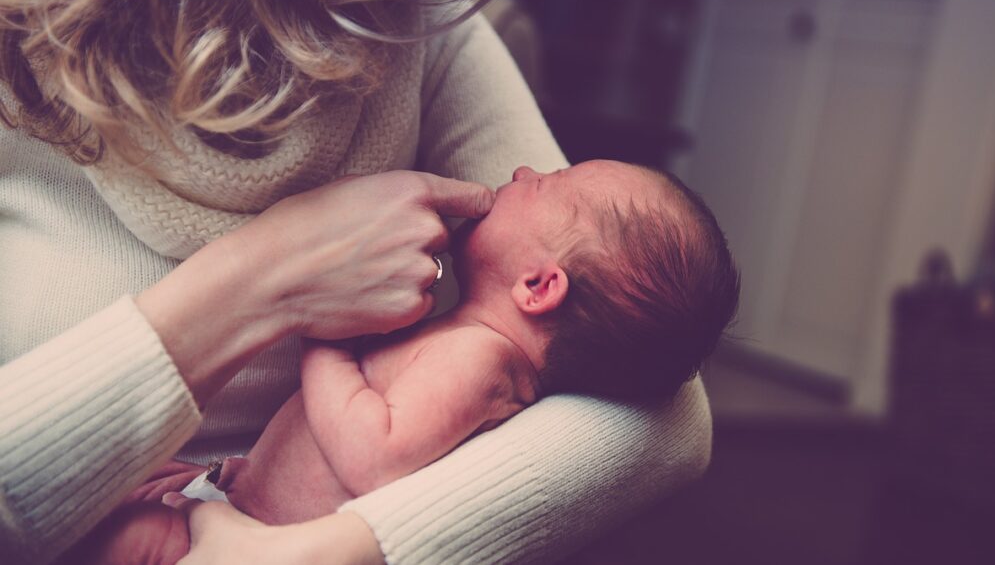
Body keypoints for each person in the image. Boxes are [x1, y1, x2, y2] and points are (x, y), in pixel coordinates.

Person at [0, 0, 715, 564]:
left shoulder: (421, 18)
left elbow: (668, 415)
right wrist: (277, 279)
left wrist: (331, 550)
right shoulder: (22, 6)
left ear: (540, 284)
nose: (524, 173)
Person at [65, 160, 740, 563]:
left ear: (538, 287)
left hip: (261, 544)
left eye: (549, 183)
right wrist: (231, 473)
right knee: (121, 512)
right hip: (247, 504)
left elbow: (374, 456)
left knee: (127, 536)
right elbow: (321, 457)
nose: (525, 170)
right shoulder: (465, 339)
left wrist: (321, 331)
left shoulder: (480, 360)